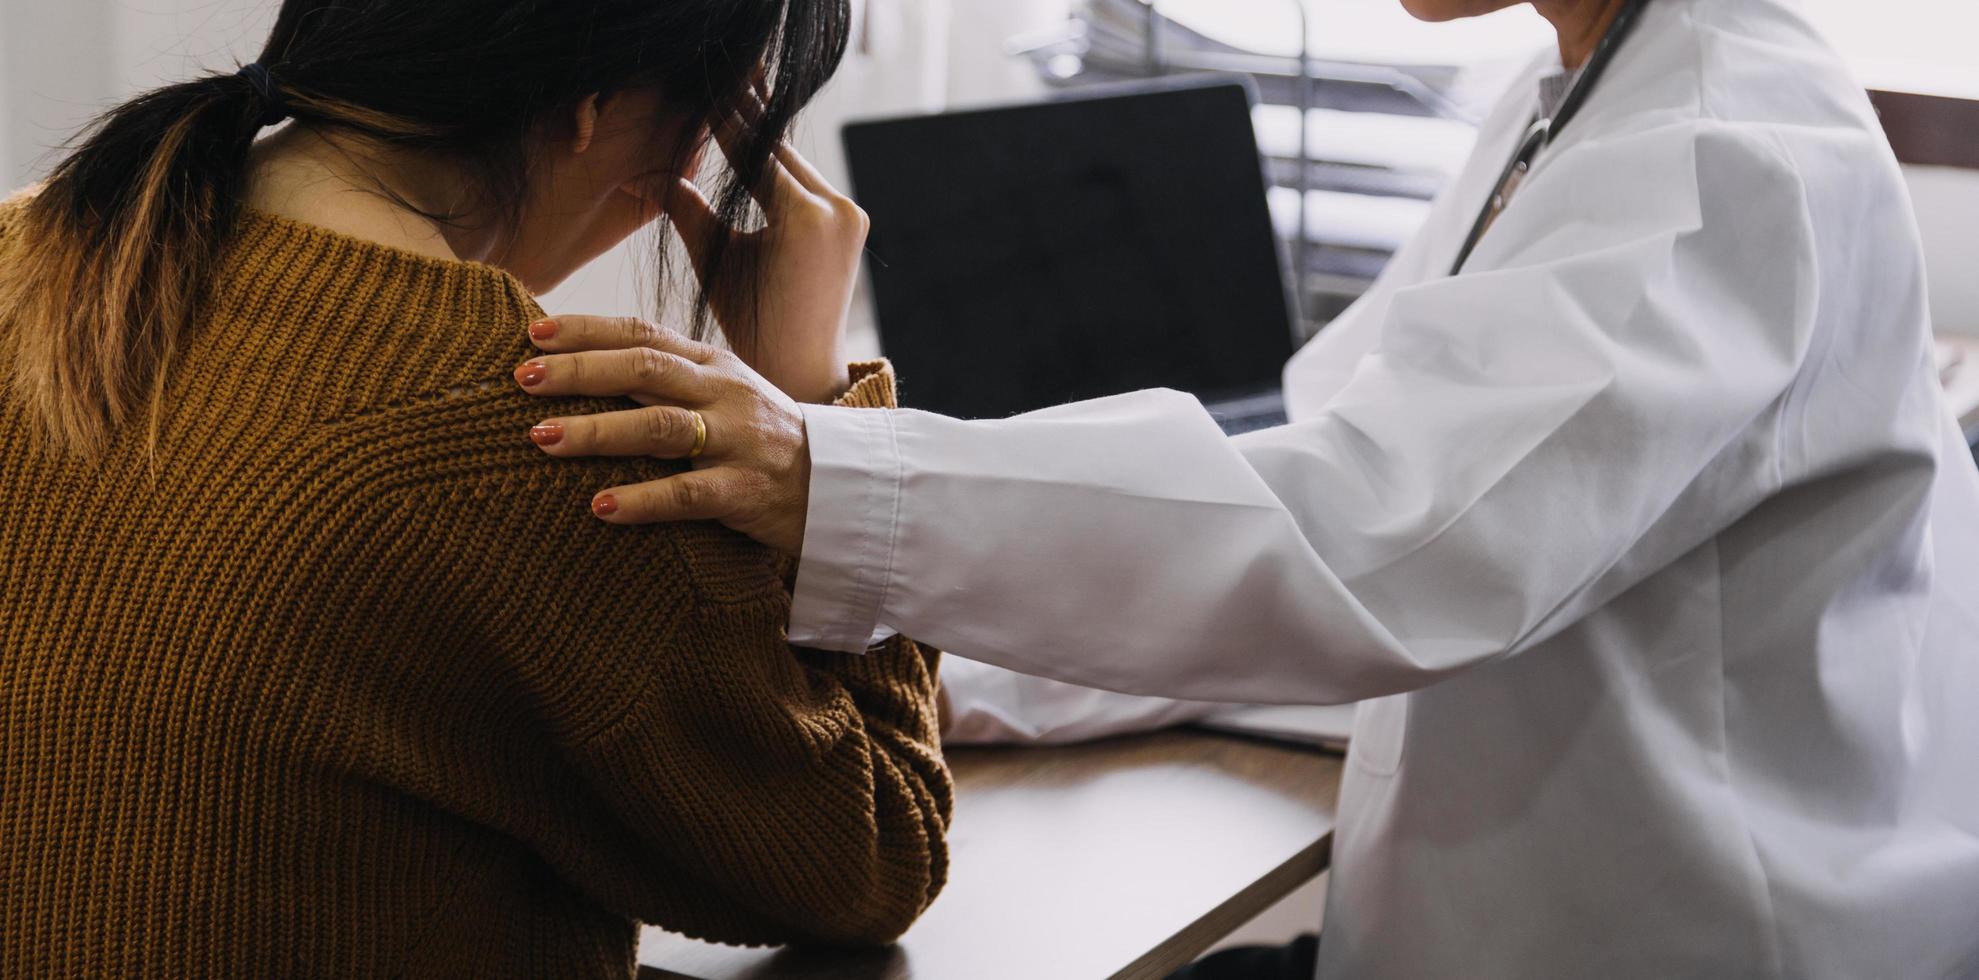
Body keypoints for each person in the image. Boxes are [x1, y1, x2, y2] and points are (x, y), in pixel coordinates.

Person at [517, 0, 1979, 976]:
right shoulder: (1577, 101)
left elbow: (1365, 534)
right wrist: (961, 674)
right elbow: (1308, 455)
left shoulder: (1722, 151)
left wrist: (820, 464)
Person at [0, 1, 951, 977]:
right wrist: (818, 419)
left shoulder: (26, 248)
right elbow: (875, 854)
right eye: (710, 119)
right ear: (590, 107)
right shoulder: (532, 444)